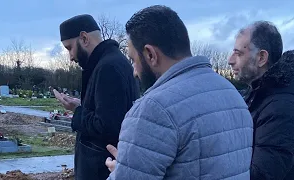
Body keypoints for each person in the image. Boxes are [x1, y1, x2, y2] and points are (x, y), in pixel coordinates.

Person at [105, 5, 253, 180]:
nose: (134, 72)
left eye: (133, 59)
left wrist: (120, 172)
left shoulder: (153, 109)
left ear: (150, 54)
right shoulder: (232, 94)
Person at [55, 14, 140, 180]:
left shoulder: (108, 67)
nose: (71, 57)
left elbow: (107, 126)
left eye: (69, 48)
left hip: (101, 170)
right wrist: (81, 105)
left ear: (84, 38)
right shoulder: (109, 62)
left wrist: (78, 111)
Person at [228, 21, 294, 180]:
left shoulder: (282, 107)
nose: (230, 60)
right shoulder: (261, 95)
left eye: (238, 53)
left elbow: (261, 175)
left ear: (261, 57)